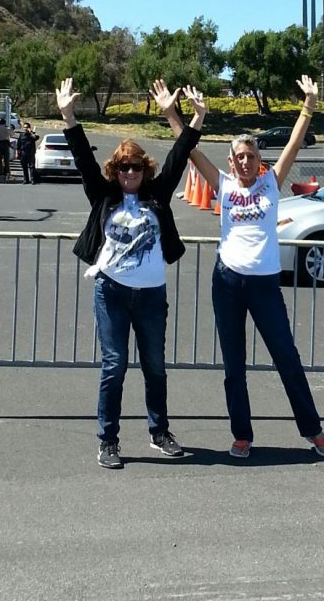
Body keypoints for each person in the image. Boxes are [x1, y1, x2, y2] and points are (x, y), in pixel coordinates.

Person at [57, 76, 206, 469]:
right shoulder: (103, 195)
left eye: (135, 167)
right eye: (122, 167)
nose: (129, 174)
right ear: (114, 169)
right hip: (112, 292)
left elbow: (180, 153)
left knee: (155, 365)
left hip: (152, 295)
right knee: (115, 364)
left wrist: (194, 118)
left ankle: (159, 432)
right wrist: (68, 115)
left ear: (145, 168)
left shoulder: (157, 194)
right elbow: (83, 160)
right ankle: (108, 440)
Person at [185, 75, 324, 460]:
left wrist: (309, 105)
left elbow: (293, 145)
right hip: (228, 282)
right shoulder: (222, 185)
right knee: (234, 365)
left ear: (259, 160)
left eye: (251, 156)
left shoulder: (270, 184)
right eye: (240, 157)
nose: (246, 162)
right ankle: (241, 435)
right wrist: (179, 114)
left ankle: (314, 430)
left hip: (265, 285)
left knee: (286, 357)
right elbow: (189, 150)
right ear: (231, 161)